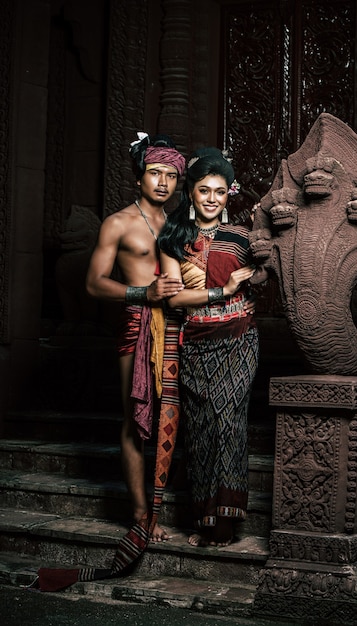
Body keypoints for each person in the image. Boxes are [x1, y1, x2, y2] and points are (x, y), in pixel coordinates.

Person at [86, 132, 185, 541]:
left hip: (179, 326)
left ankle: (166, 504)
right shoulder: (119, 223)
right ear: (139, 176)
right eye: (154, 172)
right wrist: (142, 293)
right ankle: (141, 513)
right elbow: (93, 284)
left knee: (173, 416)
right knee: (134, 419)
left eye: (171, 175)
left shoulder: (182, 222)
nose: (163, 182)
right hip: (138, 321)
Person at [158, 147, 259, 547]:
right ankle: (204, 521)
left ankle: (227, 523)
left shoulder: (243, 236)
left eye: (219, 191)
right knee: (200, 429)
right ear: (192, 193)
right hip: (196, 345)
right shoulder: (174, 237)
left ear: (229, 194)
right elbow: (173, 299)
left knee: (228, 421)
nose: (212, 199)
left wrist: (257, 283)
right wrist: (226, 289)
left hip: (239, 340)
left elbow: (267, 273)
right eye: (204, 191)